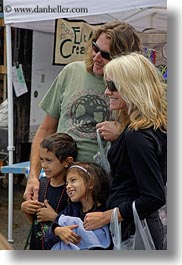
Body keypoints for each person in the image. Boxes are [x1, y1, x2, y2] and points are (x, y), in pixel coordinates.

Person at [24, 20, 142, 201]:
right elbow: (46, 129)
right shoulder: (71, 72)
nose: (96, 57)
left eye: (106, 54)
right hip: (60, 182)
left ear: (123, 59)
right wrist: (33, 176)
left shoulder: (134, 86)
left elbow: (152, 135)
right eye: (95, 48)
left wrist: (123, 132)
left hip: (100, 189)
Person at [83, 53, 167, 250]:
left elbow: (153, 196)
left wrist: (106, 217)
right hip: (138, 226)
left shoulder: (136, 135)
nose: (106, 92)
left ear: (132, 87)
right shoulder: (152, 127)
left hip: (137, 230)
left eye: (113, 86)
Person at [21, 132, 78, 249]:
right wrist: (26, 209)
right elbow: (36, 222)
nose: (43, 165)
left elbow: (76, 227)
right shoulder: (41, 184)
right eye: (41, 160)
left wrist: (54, 217)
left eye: (49, 160)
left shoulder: (72, 191)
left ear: (67, 161)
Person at [44, 162, 111, 250]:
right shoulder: (70, 210)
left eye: (73, 180)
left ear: (90, 182)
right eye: (67, 183)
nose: (68, 186)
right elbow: (47, 237)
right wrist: (57, 231)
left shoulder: (104, 214)